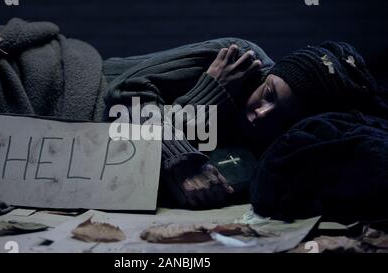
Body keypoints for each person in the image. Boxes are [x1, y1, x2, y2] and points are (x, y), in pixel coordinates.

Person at [105, 39, 388, 212]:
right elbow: (124, 96)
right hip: (83, 87)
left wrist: (193, 110)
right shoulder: (239, 60)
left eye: (281, 116)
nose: (261, 114)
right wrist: (181, 160)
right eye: (268, 94)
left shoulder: (274, 145)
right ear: (268, 76)